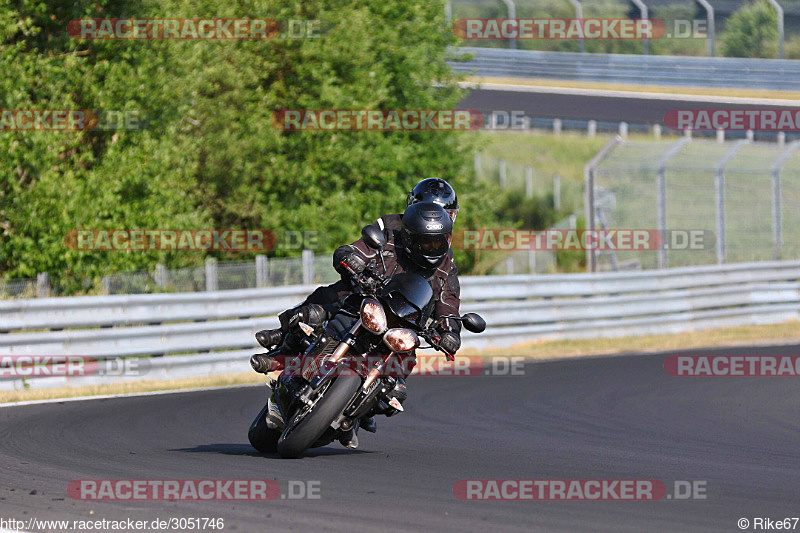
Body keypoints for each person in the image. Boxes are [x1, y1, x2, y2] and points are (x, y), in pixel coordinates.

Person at [252, 201, 462, 449]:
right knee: (321, 307)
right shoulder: (391, 231)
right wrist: (352, 259)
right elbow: (354, 250)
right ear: (412, 236)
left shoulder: (446, 266)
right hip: (369, 300)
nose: (432, 248)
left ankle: (360, 414)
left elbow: (448, 304)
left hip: (402, 323)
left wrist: (449, 334)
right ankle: (281, 349)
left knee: (401, 374)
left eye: (438, 242)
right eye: (426, 242)